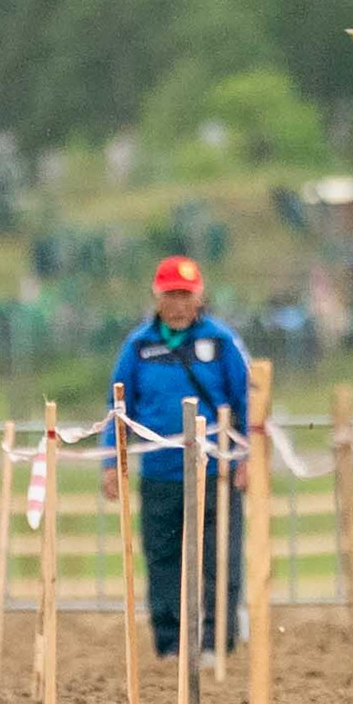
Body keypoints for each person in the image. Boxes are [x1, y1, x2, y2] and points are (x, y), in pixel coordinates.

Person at [102, 255, 250, 661]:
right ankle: (170, 643)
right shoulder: (138, 346)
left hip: (215, 471)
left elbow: (247, 399)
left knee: (219, 558)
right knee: (163, 558)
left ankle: (217, 640)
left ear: (199, 296)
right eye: (171, 295)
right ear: (157, 296)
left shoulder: (221, 342)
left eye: (185, 294)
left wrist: (247, 457)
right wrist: (110, 462)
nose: (179, 303)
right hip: (160, 474)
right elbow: (118, 406)